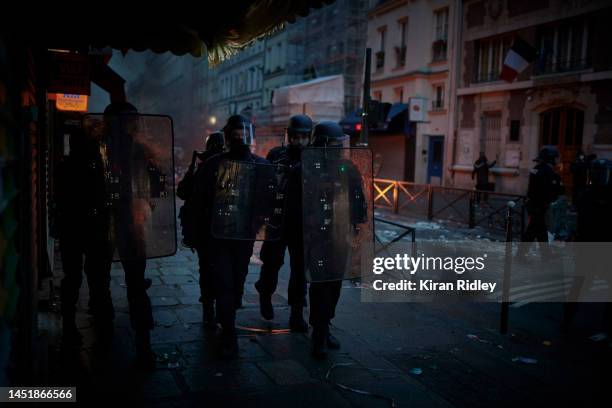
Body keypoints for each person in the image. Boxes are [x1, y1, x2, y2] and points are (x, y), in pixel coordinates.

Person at [191, 115, 268, 358]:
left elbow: (267, 199)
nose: (238, 139)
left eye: (241, 134)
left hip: (243, 236)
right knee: (223, 282)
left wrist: (257, 222)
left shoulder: (260, 165)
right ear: (227, 136)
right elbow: (197, 201)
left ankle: (229, 317)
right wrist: (199, 233)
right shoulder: (213, 165)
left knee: (237, 280)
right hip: (218, 238)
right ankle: (229, 333)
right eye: (234, 134)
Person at [304, 121, 368, 358]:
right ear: (322, 144)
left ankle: (325, 325)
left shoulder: (347, 168)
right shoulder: (309, 167)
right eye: (334, 143)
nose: (339, 148)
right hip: (316, 236)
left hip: (339, 235)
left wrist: (359, 221)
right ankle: (318, 331)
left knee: (335, 284)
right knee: (320, 285)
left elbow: (358, 198)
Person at [103, 102, 157, 368]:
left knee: (105, 282)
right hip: (119, 223)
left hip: (120, 223)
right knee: (133, 284)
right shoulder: (132, 149)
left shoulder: (110, 147)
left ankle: (109, 336)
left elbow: (153, 183)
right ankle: (142, 343)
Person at [55, 128, 114, 349]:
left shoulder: (64, 166)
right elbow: (104, 195)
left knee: (73, 278)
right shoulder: (94, 165)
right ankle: (102, 321)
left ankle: (70, 325)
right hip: (92, 229)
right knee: (97, 278)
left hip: (71, 229)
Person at [255, 115, 312, 332]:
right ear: (289, 135)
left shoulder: (315, 158)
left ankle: (297, 311)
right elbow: (265, 185)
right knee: (271, 263)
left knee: (300, 270)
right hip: (278, 219)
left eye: (303, 137)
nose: (299, 141)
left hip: (302, 224)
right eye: (296, 136)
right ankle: (265, 294)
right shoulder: (276, 155)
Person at [178, 131, 224, 328]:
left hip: (219, 229)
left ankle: (211, 306)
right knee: (209, 269)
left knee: (212, 270)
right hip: (207, 229)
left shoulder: (222, 165)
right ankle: (209, 306)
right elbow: (183, 193)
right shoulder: (203, 167)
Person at [517, 146, 564, 259]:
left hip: (534, 205)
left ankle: (544, 254)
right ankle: (521, 255)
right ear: (551, 158)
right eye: (557, 158)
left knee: (538, 231)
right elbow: (554, 192)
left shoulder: (537, 168)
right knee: (533, 231)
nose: (558, 160)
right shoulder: (549, 172)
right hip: (540, 206)